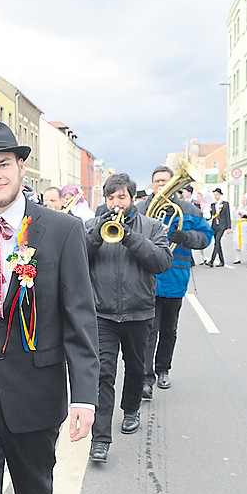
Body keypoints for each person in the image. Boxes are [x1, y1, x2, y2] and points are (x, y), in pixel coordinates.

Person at [0, 122, 99, 494]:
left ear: (21, 168)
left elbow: (80, 317)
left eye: (3, 164)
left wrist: (84, 395)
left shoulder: (63, 231)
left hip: (36, 396)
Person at [85, 173, 171, 463]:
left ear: (132, 198)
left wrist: (132, 238)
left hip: (139, 312)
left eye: (121, 197)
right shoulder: (92, 225)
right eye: (111, 198)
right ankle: (100, 439)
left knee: (136, 368)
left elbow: (161, 262)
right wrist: (97, 235)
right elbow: (78, 257)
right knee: (102, 375)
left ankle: (131, 408)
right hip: (103, 314)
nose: (116, 203)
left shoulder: (153, 227)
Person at [137, 166, 211, 399]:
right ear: (152, 183)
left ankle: (163, 369)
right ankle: (146, 378)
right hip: (147, 278)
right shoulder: (142, 208)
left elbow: (206, 237)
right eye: (157, 181)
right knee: (149, 330)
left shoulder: (190, 210)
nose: (161, 184)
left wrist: (186, 237)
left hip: (175, 277)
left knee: (169, 329)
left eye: (165, 181)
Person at [206, 188, 232, 267]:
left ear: (220, 195)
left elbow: (228, 215)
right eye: (215, 194)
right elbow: (211, 215)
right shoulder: (213, 204)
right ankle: (222, 261)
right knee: (217, 243)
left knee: (217, 241)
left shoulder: (225, 204)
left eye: (217, 194)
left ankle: (212, 260)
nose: (216, 196)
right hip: (215, 225)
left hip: (222, 225)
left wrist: (229, 227)